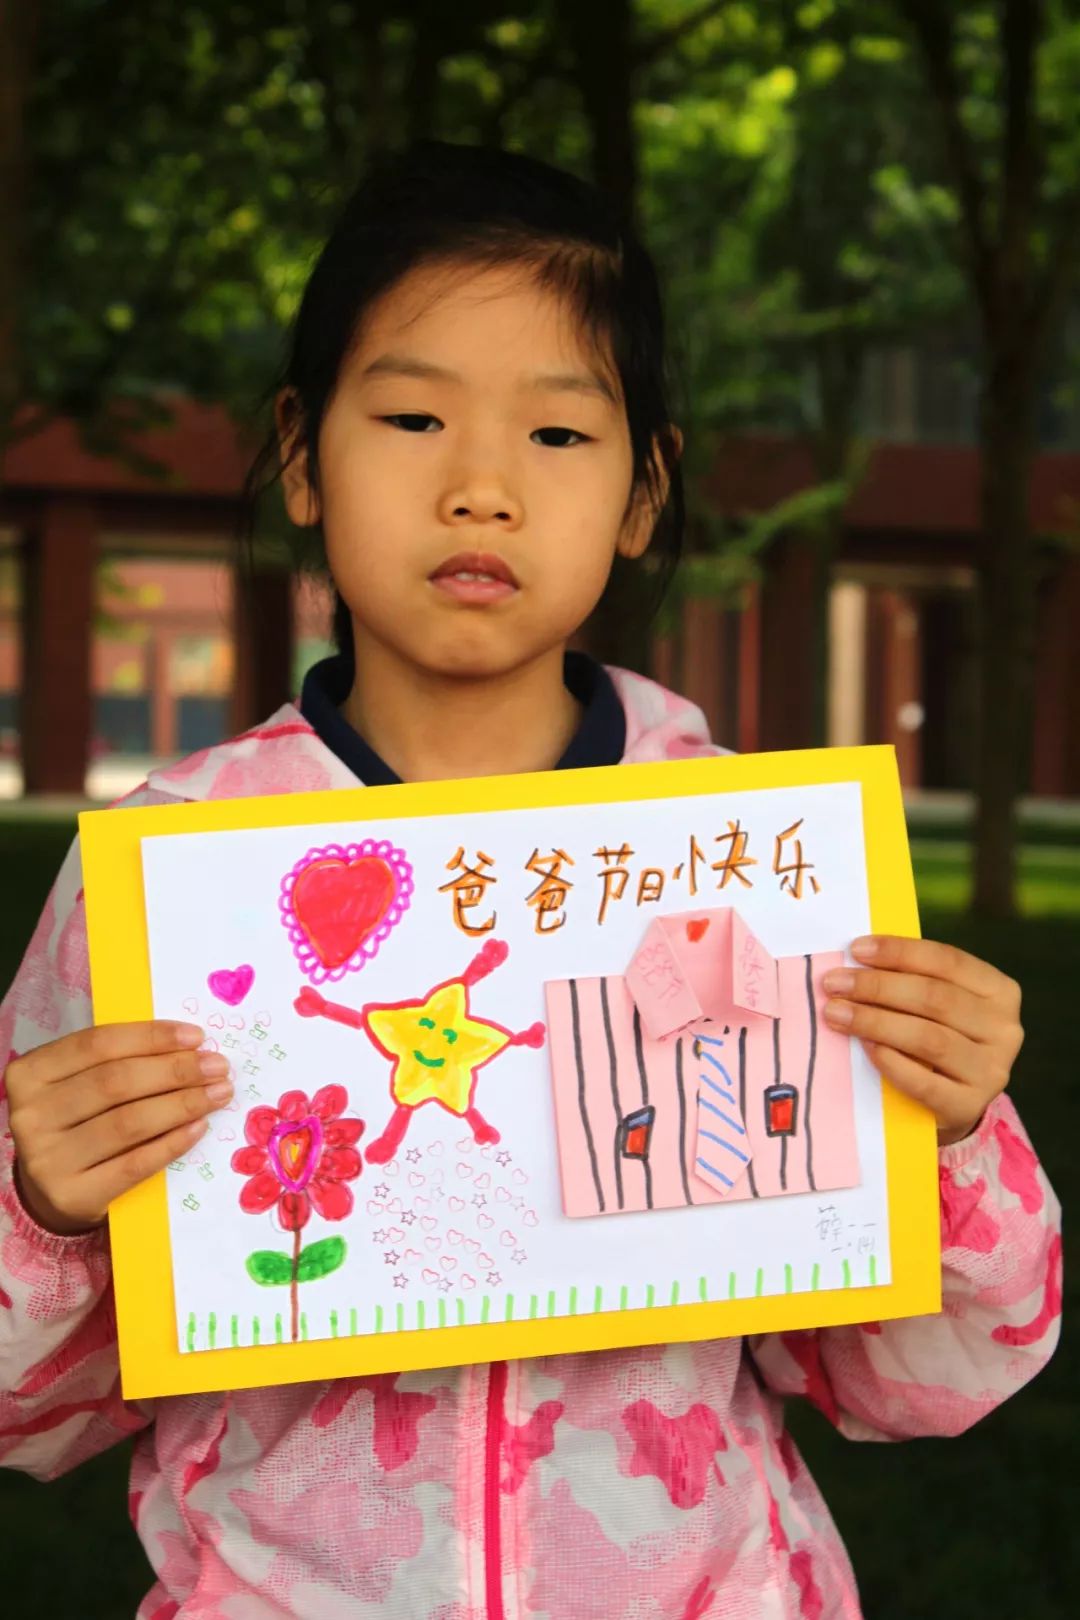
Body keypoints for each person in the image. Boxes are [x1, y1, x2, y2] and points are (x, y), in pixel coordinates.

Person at [0, 141, 1060, 1620]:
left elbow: (915, 1379)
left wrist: (944, 1134)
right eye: (413, 417)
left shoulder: (746, 864)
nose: (482, 488)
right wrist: (41, 1214)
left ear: (644, 490)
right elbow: (35, 1411)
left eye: (559, 434)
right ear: (302, 454)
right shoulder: (172, 880)